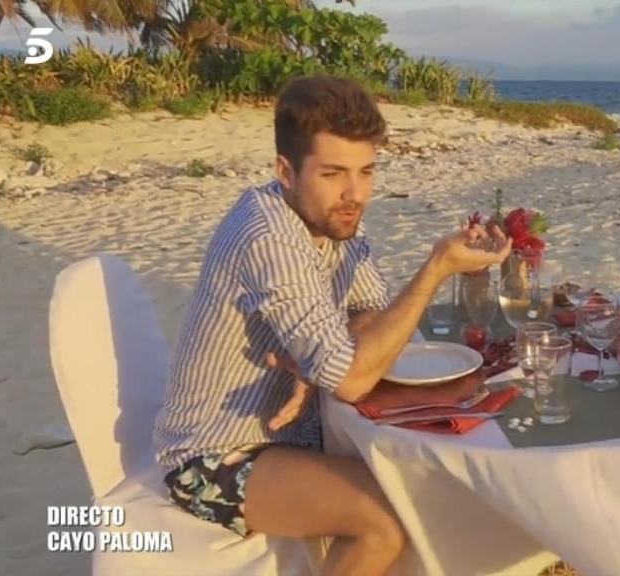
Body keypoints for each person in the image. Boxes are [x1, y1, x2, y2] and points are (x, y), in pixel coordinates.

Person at [153, 75, 511, 575]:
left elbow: (370, 310)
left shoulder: (335, 216)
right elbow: (352, 379)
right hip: (216, 454)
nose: (354, 193)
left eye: (366, 171)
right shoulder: (268, 237)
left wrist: (320, 354)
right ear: (286, 170)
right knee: (387, 519)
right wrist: (435, 269)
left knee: (429, 485)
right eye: (334, 173)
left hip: (296, 434)